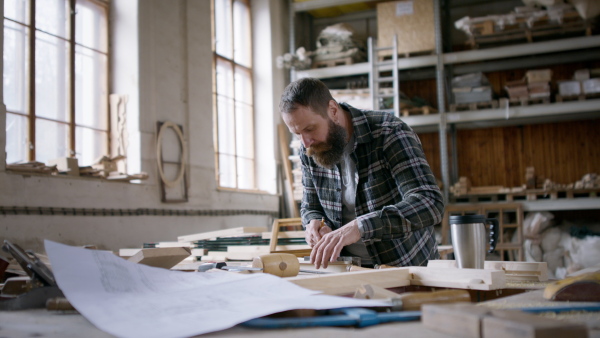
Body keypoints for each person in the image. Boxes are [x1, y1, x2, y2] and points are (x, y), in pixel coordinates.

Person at [280, 77, 444, 269]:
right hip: (349, 269)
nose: (306, 142)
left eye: (310, 129)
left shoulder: (389, 132)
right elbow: (310, 206)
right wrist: (313, 222)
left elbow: (430, 202)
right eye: (297, 134)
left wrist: (360, 227)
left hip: (405, 267)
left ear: (332, 110)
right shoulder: (310, 148)